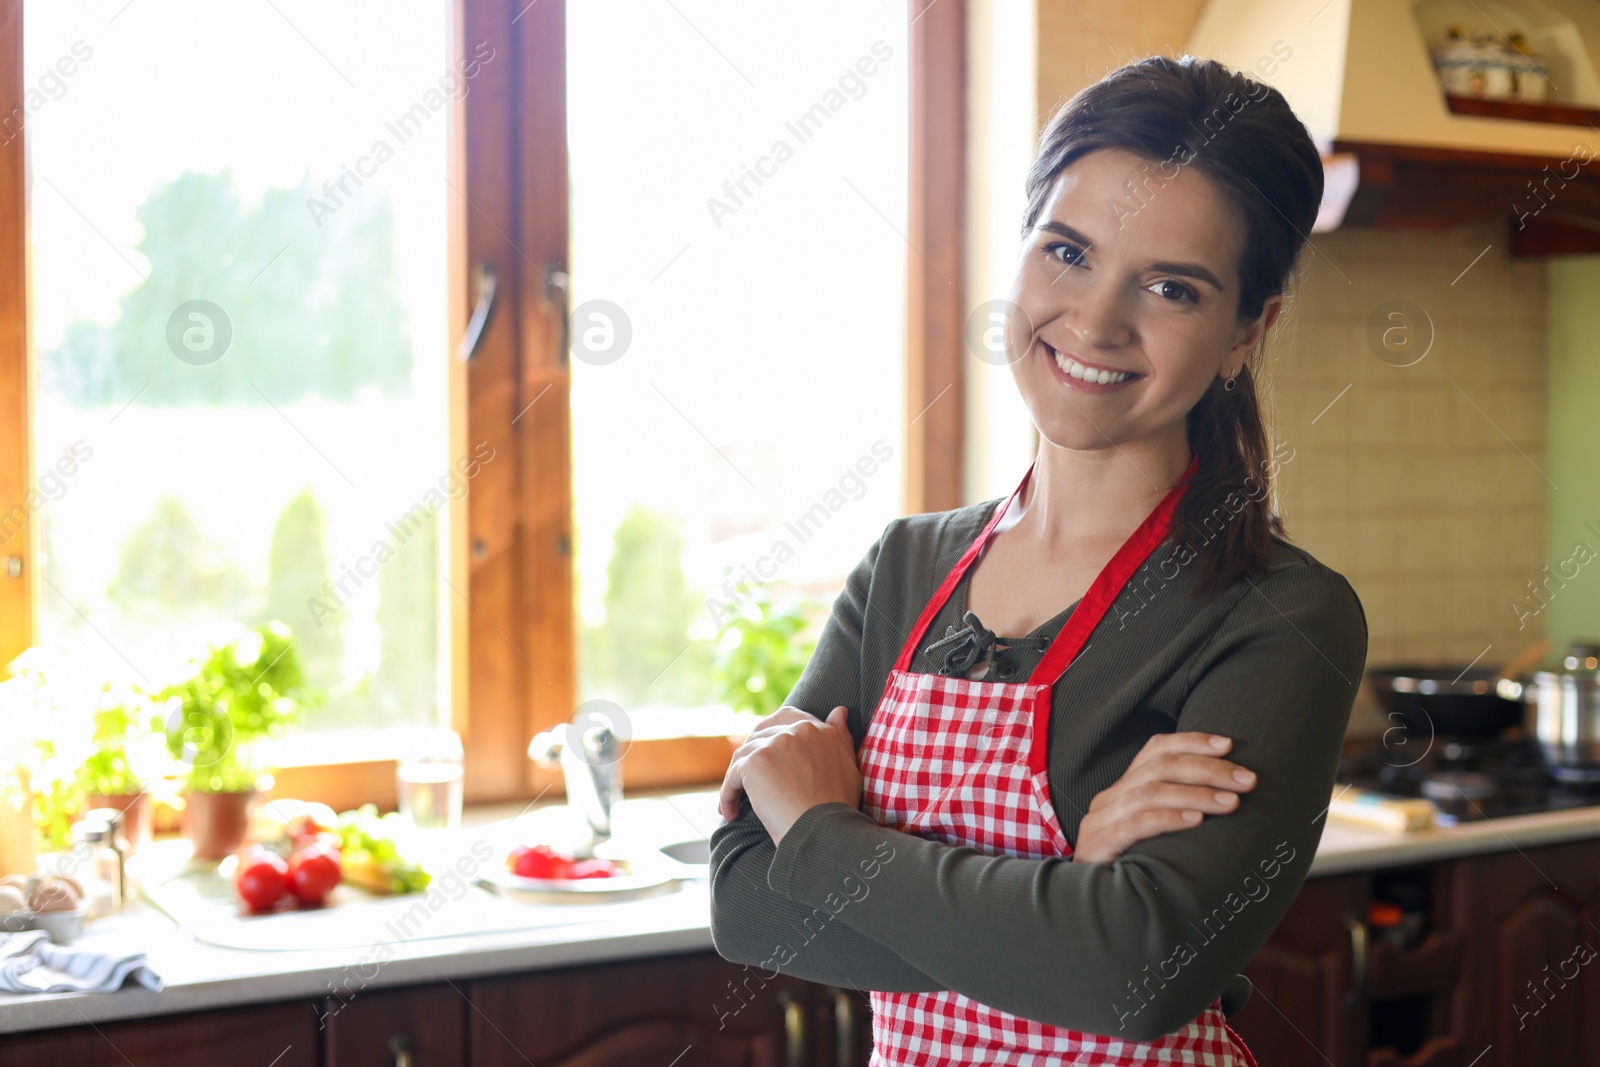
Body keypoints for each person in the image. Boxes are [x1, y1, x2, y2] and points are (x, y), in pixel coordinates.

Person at [708, 52, 1368, 1066]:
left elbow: (1134, 972)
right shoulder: (903, 568)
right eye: (1066, 252)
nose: (1096, 321)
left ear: (1247, 331)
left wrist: (822, 831)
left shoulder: (1280, 615)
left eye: (1169, 286)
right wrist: (1066, 887)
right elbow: (748, 907)